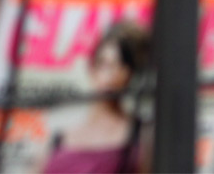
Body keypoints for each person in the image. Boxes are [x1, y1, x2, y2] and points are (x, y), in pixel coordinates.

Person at [42, 21, 151, 174]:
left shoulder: (139, 136)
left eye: (119, 65)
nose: (108, 76)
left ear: (130, 74)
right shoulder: (60, 136)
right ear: (92, 68)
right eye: (103, 63)